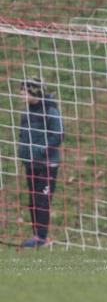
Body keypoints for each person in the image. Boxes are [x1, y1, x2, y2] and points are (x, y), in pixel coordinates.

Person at [17, 77, 63, 247]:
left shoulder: (50, 110)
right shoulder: (27, 111)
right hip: (30, 163)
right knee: (33, 200)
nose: (21, 93)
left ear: (34, 91)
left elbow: (58, 135)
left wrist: (41, 150)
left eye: (24, 90)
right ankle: (37, 236)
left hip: (46, 165)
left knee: (43, 200)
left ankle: (42, 238)